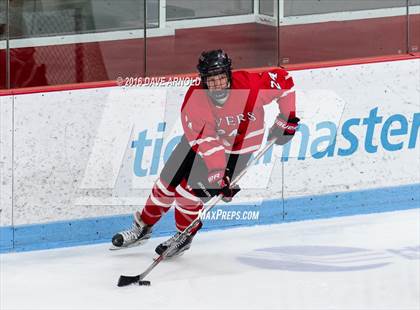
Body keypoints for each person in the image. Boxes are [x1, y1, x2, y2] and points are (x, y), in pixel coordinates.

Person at [111, 49, 300, 257]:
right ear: (203, 80)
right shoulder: (195, 99)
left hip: (238, 152)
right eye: (211, 79)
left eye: (221, 77)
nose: (218, 84)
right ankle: (143, 227)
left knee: (186, 194)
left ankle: (184, 235)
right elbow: (208, 143)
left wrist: (286, 118)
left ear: (228, 74)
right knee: (166, 183)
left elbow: (285, 81)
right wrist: (219, 175)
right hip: (201, 142)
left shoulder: (250, 85)